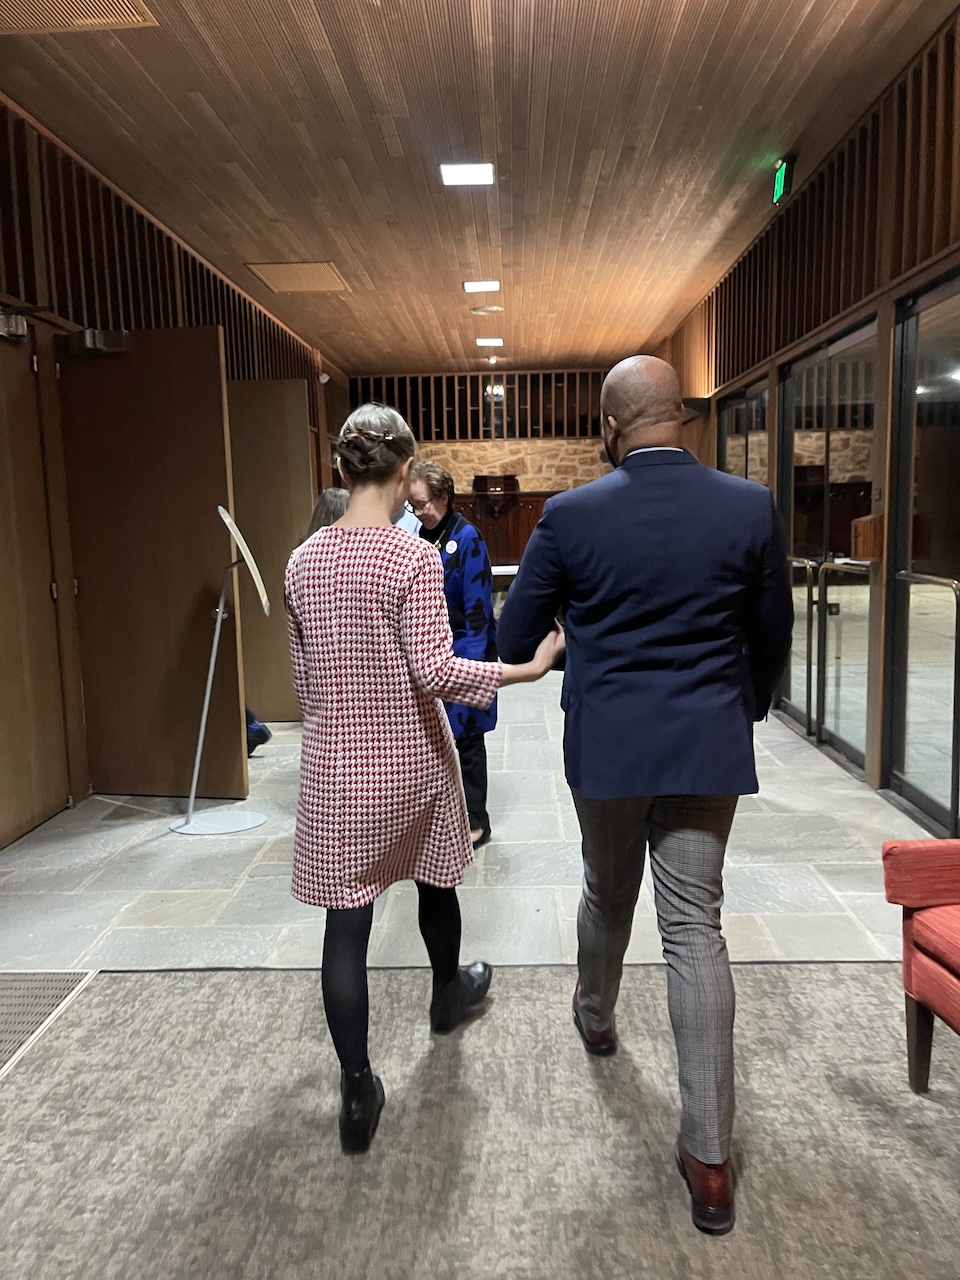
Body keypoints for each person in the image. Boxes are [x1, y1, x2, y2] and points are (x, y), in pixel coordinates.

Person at [497, 356, 793, 1235]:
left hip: (610, 750)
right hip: (706, 745)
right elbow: (771, 631)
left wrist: (574, 634)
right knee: (695, 926)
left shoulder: (571, 514)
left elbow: (513, 635)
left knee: (607, 890)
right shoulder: (749, 506)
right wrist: (742, 706)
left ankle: (595, 1017)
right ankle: (710, 1161)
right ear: (683, 419)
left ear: (609, 427)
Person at [285, 403, 563, 1156]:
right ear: (406, 471)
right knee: (436, 883)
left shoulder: (301, 563)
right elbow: (437, 672)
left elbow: (305, 689)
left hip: (337, 773)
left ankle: (356, 1090)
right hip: (412, 762)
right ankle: (446, 995)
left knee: (346, 927)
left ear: (340, 468)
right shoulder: (411, 559)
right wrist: (527, 669)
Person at [408, 460, 497, 847]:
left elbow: (478, 610)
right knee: (433, 741)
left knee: (468, 741)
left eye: (423, 504)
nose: (418, 512)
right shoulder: (423, 535)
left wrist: (471, 670)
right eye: (413, 505)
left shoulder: (468, 538)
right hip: (431, 654)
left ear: (444, 497)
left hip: (465, 651)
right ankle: (439, 817)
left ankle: (477, 821)